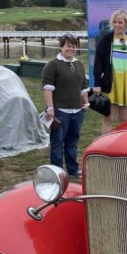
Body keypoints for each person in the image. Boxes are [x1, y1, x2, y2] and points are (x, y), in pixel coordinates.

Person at [42, 33, 89, 175]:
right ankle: (57, 172)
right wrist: (50, 109)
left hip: (77, 112)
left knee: (72, 142)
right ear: (61, 47)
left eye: (74, 46)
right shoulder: (52, 65)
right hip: (60, 111)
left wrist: (86, 103)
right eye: (68, 45)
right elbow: (47, 88)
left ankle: (73, 169)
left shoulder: (79, 64)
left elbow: (83, 87)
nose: (71, 49)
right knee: (57, 144)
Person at [92, 8, 127, 135]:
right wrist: (97, 83)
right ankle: (105, 146)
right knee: (108, 118)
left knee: (124, 120)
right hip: (110, 84)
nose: (117, 25)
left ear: (126, 24)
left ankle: (122, 146)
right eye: (115, 22)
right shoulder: (106, 40)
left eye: (120, 22)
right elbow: (98, 62)